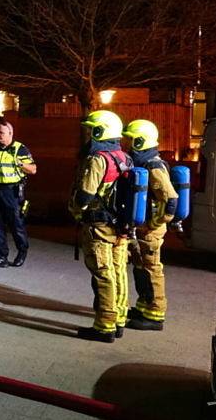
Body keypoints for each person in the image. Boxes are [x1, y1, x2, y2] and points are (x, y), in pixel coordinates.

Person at [68, 110, 133, 343]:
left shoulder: (98, 159)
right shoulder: (124, 157)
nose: (88, 135)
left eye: (91, 130)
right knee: (118, 272)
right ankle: (119, 319)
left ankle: (104, 326)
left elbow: (85, 195)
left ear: (99, 131)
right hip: (120, 226)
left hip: (99, 227)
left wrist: (75, 211)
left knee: (103, 275)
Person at [122, 119, 179, 332]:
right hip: (144, 226)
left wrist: (154, 224)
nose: (127, 145)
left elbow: (170, 200)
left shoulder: (153, 165)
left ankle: (155, 315)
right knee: (140, 268)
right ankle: (143, 306)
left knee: (151, 269)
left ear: (141, 142)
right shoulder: (144, 162)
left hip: (151, 228)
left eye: (131, 140)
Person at [0, 120, 37, 268]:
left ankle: (22, 251)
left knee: (16, 225)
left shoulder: (20, 149)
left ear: (10, 134)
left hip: (12, 191)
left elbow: (33, 169)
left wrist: (20, 164)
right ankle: (1, 256)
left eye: (1, 133)